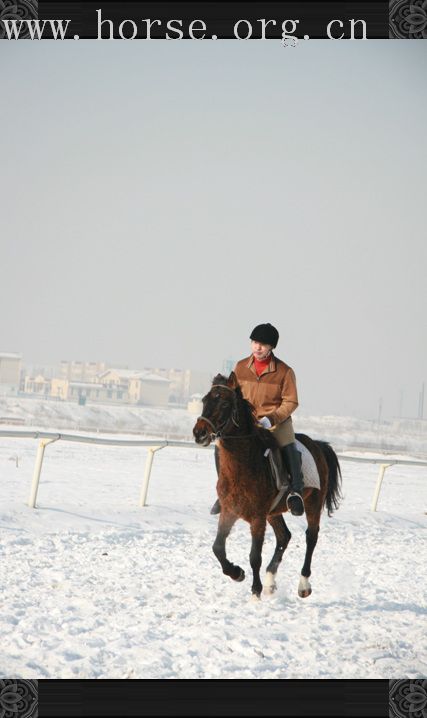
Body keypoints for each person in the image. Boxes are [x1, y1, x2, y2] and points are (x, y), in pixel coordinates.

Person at [210, 322, 305, 517]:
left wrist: (272, 418)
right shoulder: (240, 366)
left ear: (271, 347)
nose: (257, 347)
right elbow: (233, 395)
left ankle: (295, 492)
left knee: (287, 444)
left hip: (275, 422)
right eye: (254, 342)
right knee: (220, 447)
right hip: (248, 422)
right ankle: (224, 492)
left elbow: (291, 401)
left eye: (262, 344)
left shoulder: (285, 372)